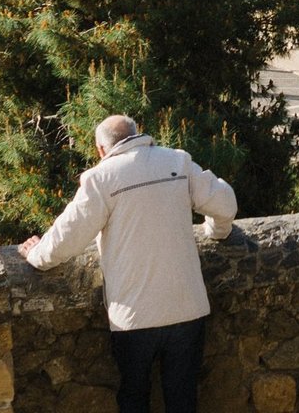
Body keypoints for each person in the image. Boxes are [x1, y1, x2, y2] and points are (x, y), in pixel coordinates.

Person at [19, 114, 237, 413]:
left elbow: (67, 238)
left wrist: (34, 254)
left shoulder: (101, 179)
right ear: (138, 135)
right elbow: (225, 203)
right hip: (187, 307)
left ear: (100, 149)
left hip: (134, 318)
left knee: (134, 399)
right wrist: (217, 231)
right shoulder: (177, 161)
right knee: (183, 400)